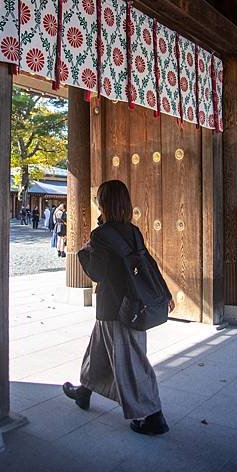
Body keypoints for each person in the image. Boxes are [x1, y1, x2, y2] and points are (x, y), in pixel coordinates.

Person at [62, 180, 175, 435]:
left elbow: (98, 273)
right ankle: (84, 392)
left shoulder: (100, 235)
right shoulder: (133, 231)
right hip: (132, 304)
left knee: (132, 362)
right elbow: (149, 264)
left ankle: (153, 416)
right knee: (98, 351)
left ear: (104, 203)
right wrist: (165, 292)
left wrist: (83, 253)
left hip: (118, 309)